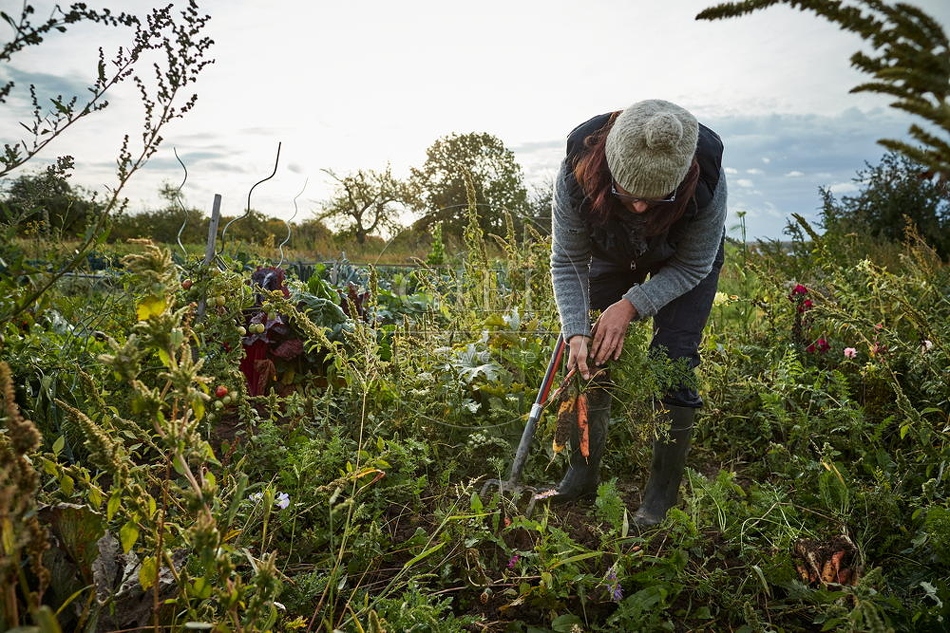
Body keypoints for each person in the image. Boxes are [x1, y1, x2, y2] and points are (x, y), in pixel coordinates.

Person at [544, 99, 726, 526]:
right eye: (629, 194)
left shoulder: (707, 180)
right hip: (612, 249)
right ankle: (580, 475)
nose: (641, 208)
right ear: (609, 172)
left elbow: (695, 265)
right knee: (587, 354)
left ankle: (658, 499)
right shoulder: (578, 172)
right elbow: (568, 260)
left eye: (656, 197)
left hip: (681, 260)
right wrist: (575, 331)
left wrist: (631, 305)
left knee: (674, 359)